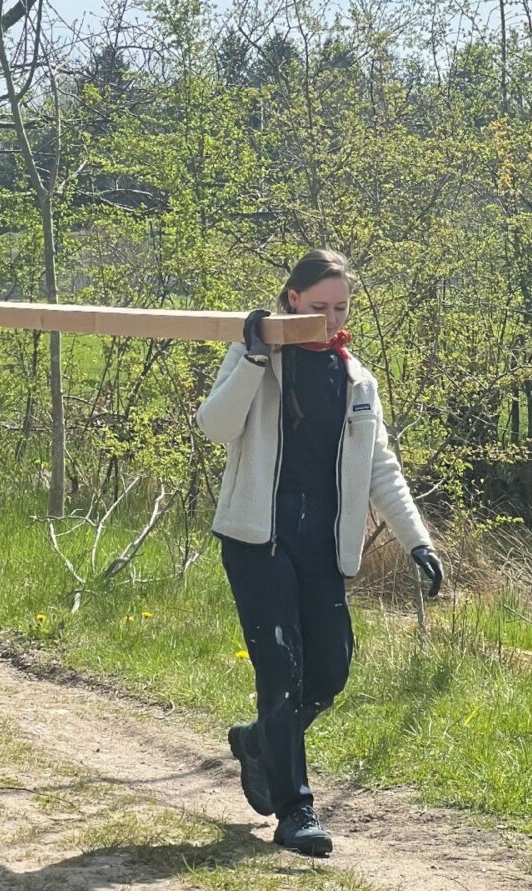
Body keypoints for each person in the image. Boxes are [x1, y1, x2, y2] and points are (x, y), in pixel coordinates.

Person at [195, 249, 444, 856]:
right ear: (291, 299)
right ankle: (295, 809)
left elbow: (382, 467)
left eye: (341, 307)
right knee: (281, 671)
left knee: (330, 671)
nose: (330, 320)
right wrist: (256, 354)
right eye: (318, 307)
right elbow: (214, 425)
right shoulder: (258, 353)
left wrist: (418, 539)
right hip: (258, 539)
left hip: (322, 545)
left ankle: (259, 743)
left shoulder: (356, 378)